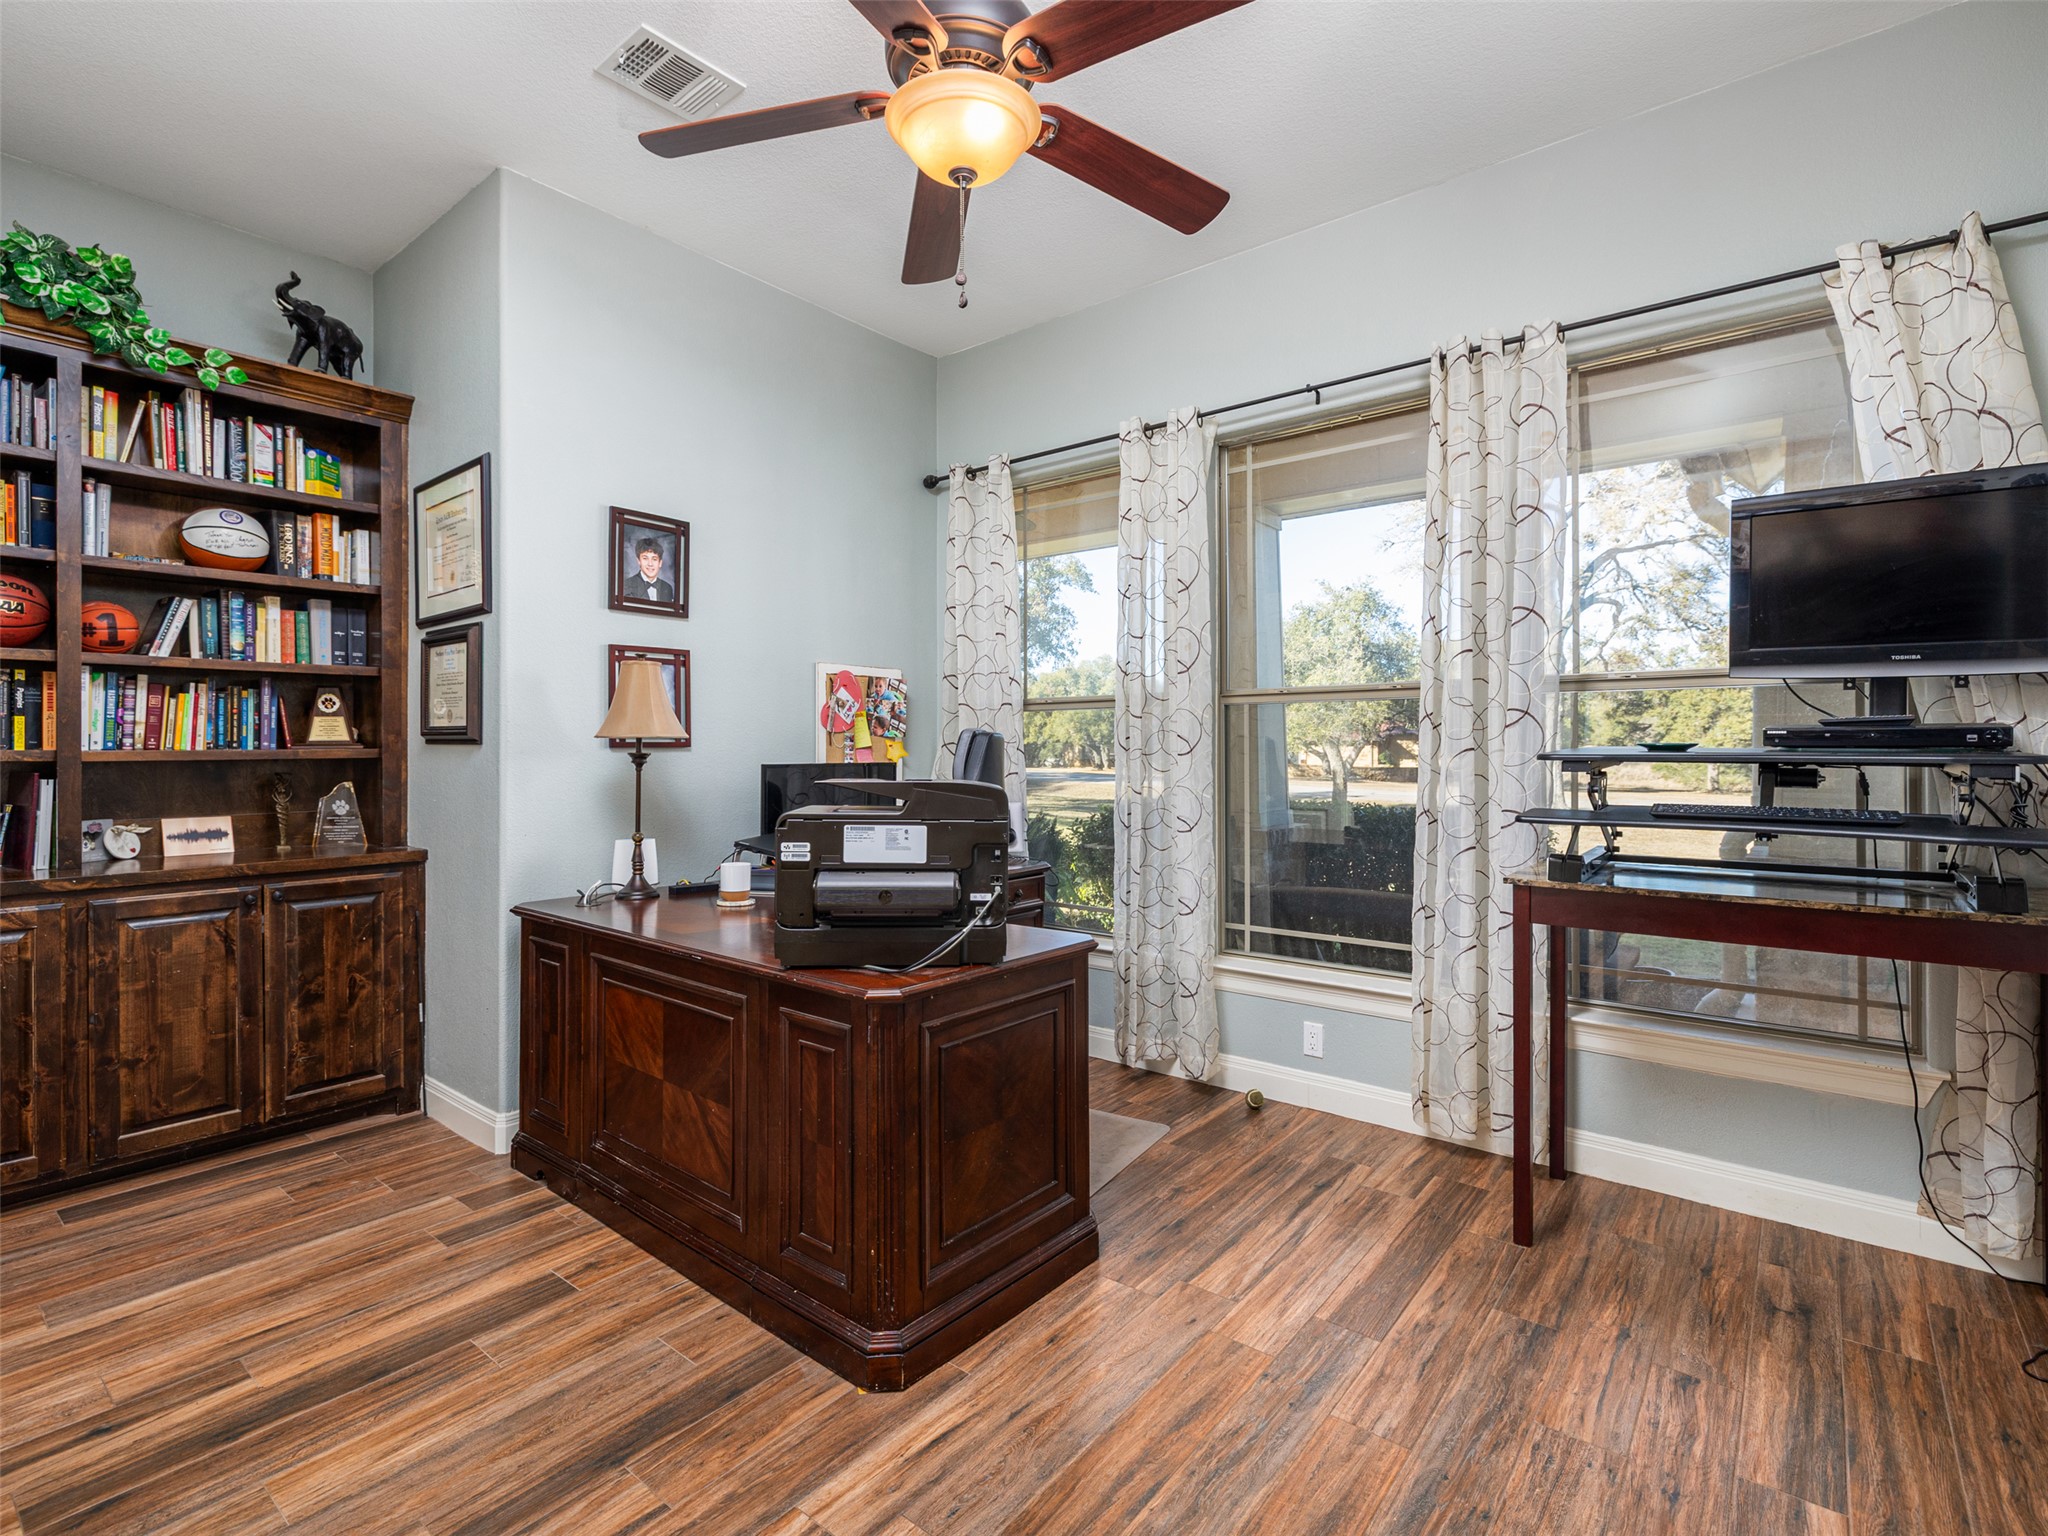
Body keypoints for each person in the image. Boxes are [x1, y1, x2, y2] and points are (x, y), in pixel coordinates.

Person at [628, 536, 675, 603]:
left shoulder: (667, 588)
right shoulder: (627, 585)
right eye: (645, 558)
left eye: (654, 559)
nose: (650, 564)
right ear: (638, 561)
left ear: (660, 563)